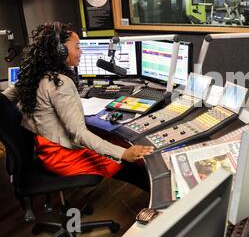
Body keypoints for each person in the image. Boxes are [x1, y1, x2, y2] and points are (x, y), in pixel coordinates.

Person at [1, 22, 153, 192]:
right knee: (132, 162)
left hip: (46, 151)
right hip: (65, 157)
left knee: (116, 142)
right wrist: (124, 154)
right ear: (60, 51)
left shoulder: (33, 74)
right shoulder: (60, 83)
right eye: (77, 47)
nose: (81, 51)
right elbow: (80, 134)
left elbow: (3, 101)